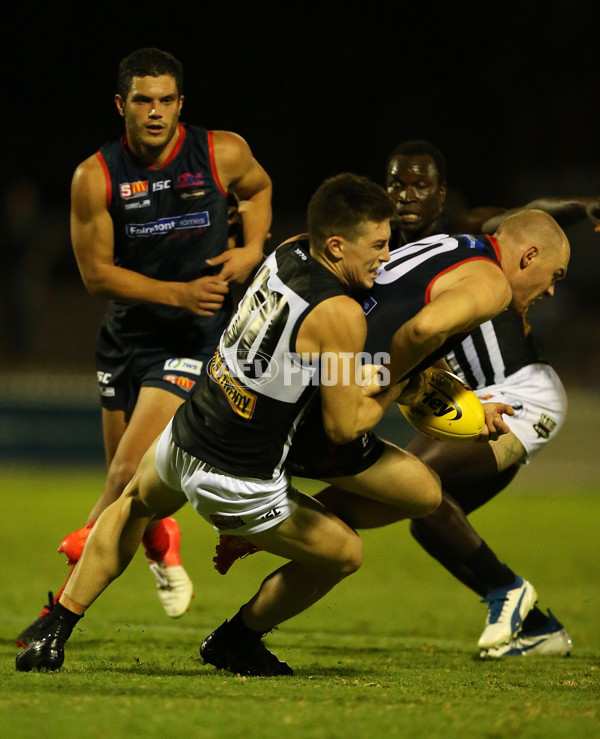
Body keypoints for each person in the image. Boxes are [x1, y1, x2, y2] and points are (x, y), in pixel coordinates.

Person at [17, 172, 439, 676]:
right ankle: (236, 640)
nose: (386, 256)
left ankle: (55, 627)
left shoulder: (287, 252)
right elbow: (344, 428)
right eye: (378, 244)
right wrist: (395, 387)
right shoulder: (342, 314)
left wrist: (345, 375)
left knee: (132, 505)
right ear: (335, 245)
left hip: (190, 428)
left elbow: (292, 354)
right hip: (238, 475)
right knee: (346, 553)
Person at [214, 206, 570, 664]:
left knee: (422, 496)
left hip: (301, 379)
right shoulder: (493, 283)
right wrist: (386, 386)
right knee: (401, 514)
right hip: (334, 404)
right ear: (530, 256)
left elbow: (423, 335)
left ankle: (259, 535)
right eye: (554, 274)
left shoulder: (452, 246)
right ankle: (255, 566)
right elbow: (422, 329)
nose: (553, 288)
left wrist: (454, 398)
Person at [16, 47, 272, 647]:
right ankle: (161, 538)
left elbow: (259, 189)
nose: (154, 113)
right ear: (120, 105)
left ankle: (57, 615)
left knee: (127, 473)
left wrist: (252, 248)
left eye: (165, 101)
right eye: (141, 101)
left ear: (181, 103)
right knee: (126, 481)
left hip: (195, 337)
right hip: (128, 336)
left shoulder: (220, 152)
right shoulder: (96, 176)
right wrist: (177, 293)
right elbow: (96, 275)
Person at [382, 139, 588, 656]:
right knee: (427, 515)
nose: (408, 195)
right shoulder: (385, 250)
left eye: (421, 185)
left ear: (441, 193)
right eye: (398, 185)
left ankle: (509, 592)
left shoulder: (467, 233)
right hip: (474, 403)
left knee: (411, 475)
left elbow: (531, 220)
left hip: (519, 391)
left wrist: (583, 208)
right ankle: (539, 625)